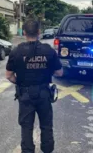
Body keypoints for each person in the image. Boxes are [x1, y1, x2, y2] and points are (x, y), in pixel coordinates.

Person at [5, 19, 63, 153]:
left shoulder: (16, 51)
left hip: (25, 94)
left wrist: (19, 82)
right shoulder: (48, 51)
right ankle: (47, 150)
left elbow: (9, 75)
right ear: (39, 32)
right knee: (46, 125)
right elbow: (59, 72)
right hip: (43, 93)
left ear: (24, 32)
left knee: (26, 127)